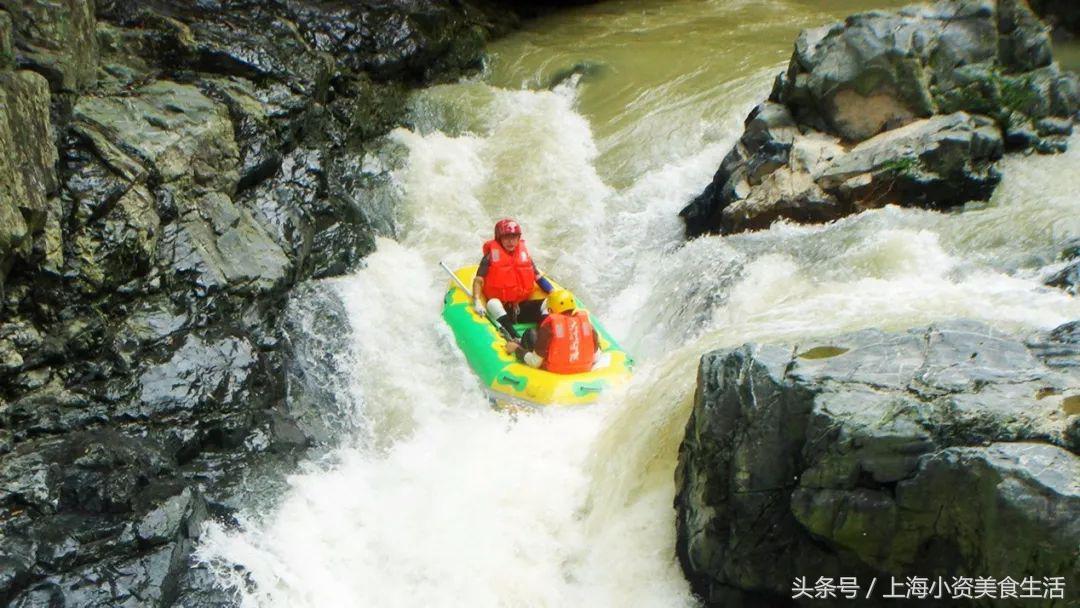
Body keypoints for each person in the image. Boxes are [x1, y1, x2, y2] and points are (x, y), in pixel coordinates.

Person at [472, 219, 553, 338]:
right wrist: (477, 301)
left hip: (520, 307)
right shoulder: (489, 258)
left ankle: (543, 335)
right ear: (499, 239)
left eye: (514, 237)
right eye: (506, 237)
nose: (511, 241)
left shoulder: (525, 256)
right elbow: (478, 280)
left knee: (549, 302)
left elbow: (538, 277)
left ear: (518, 238)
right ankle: (515, 337)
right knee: (492, 303)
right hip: (501, 310)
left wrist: (553, 292)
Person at [505, 289, 599, 374]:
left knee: (530, 333)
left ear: (549, 310)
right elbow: (596, 356)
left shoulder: (548, 328)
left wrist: (516, 349)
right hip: (583, 369)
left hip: (554, 370)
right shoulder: (588, 325)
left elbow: (535, 362)